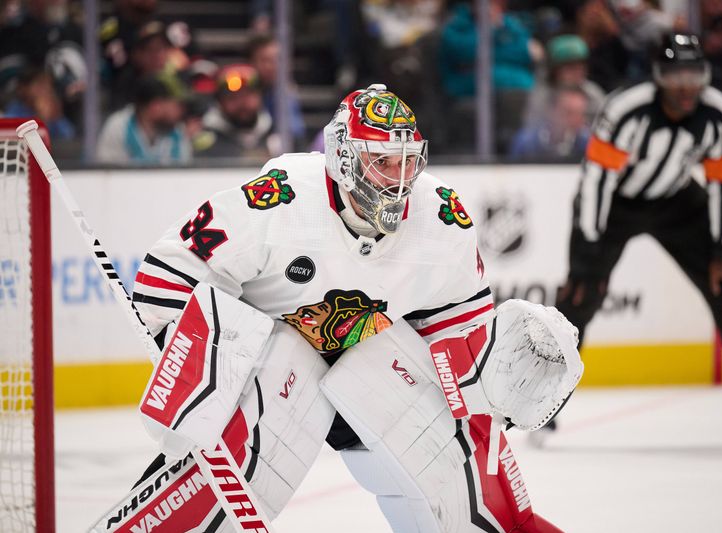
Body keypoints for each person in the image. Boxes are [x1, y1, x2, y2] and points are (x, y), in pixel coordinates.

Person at [91, 84, 582, 532]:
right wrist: (201, 368)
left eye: (408, 161)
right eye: (383, 161)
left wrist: (489, 376)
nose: (399, 179)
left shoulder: (441, 219)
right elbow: (167, 274)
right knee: (263, 408)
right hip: (269, 371)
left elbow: (458, 327)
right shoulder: (280, 201)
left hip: (372, 367)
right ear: (344, 159)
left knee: (455, 477)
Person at [555, 33, 722, 444]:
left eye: (694, 73)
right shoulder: (627, 110)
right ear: (658, 76)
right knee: (579, 296)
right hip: (614, 205)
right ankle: (544, 398)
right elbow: (595, 182)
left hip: (677, 200)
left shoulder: (720, 115)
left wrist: (721, 248)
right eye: (675, 75)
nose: (685, 86)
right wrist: (589, 258)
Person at [96, 75, 191, 165]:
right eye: (177, 106)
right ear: (155, 106)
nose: (181, 111)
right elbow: (106, 173)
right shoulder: (119, 126)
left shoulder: (178, 130)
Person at [195, 63, 275, 161]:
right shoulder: (204, 143)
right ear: (220, 102)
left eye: (247, 96)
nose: (242, 104)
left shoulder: (279, 134)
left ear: (260, 97)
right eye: (232, 98)